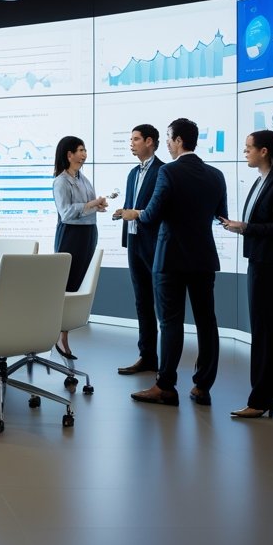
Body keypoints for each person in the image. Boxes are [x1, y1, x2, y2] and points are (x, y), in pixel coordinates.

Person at [120, 117, 227, 408]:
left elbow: (152, 214)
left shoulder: (168, 171)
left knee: (170, 322)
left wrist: (134, 214)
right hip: (204, 258)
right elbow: (220, 213)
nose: (166, 144)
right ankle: (202, 387)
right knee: (207, 322)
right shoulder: (216, 175)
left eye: (168, 138)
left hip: (171, 258)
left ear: (179, 140)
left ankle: (166, 386)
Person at [220, 130, 273, 418]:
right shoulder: (259, 181)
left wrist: (246, 228)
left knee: (265, 330)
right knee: (266, 329)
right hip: (258, 259)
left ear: (264, 151)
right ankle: (271, 394)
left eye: (249, 148)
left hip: (268, 262)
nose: (245, 152)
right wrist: (240, 227)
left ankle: (261, 399)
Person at [114, 125, 164, 375]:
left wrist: (135, 214)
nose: (131, 143)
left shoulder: (163, 171)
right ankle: (147, 356)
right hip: (134, 241)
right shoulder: (133, 173)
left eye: (135, 139)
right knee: (142, 301)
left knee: (162, 303)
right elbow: (131, 205)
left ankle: (166, 362)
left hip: (154, 243)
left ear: (149, 141)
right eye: (130, 139)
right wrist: (122, 213)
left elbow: (160, 209)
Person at [51, 136, 108, 359]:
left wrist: (98, 205)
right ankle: (60, 336)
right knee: (67, 286)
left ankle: (62, 333)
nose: (84, 154)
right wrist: (90, 205)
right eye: (81, 150)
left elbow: (87, 207)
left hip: (88, 233)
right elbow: (66, 213)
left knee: (78, 286)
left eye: (85, 150)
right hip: (71, 236)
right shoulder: (61, 181)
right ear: (69, 154)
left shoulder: (83, 179)